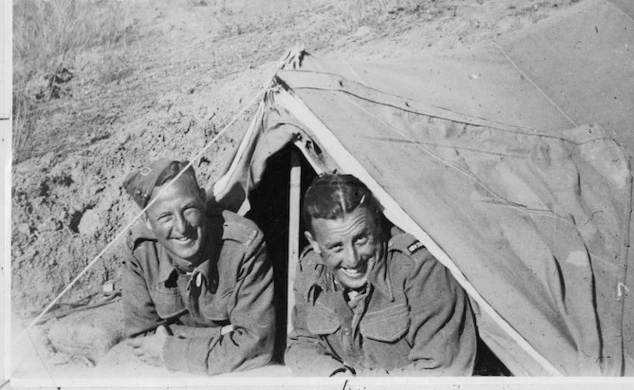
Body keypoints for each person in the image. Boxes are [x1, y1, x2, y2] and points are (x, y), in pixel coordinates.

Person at [285, 173, 477, 376]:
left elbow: (442, 372)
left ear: (377, 224)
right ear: (315, 243)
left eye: (361, 239)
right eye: (335, 247)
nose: (352, 260)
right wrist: (333, 377)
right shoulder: (311, 267)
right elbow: (301, 344)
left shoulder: (418, 269)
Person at [121, 159, 275, 374]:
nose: (182, 228)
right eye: (165, 216)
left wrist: (171, 350)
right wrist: (223, 334)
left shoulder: (244, 246)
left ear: (203, 199)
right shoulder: (141, 250)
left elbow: (257, 347)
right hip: (205, 363)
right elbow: (142, 339)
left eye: (189, 209)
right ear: (147, 221)